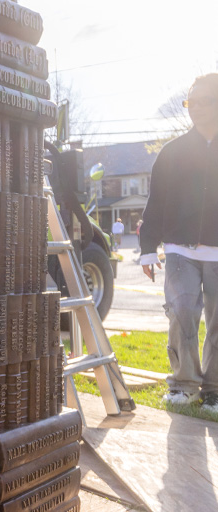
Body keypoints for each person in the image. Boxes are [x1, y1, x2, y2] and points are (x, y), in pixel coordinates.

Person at [140, 73, 218, 411]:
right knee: (183, 311)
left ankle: (215, 390)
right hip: (178, 251)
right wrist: (146, 249)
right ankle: (184, 384)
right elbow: (155, 202)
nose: (196, 108)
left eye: (205, 101)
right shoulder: (171, 153)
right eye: (191, 102)